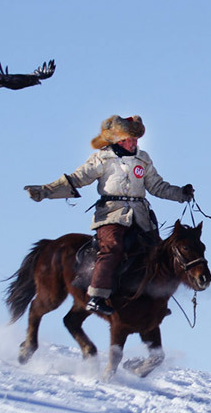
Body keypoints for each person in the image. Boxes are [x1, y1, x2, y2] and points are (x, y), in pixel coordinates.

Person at [25, 115, 194, 315]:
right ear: (119, 140)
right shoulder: (102, 158)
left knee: (158, 252)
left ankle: (156, 300)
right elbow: (78, 178)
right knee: (112, 247)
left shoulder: (143, 159)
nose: (135, 143)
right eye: (131, 139)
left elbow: (157, 186)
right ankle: (97, 295)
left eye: (136, 140)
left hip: (141, 216)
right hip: (112, 214)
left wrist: (180, 194)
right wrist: (46, 190)